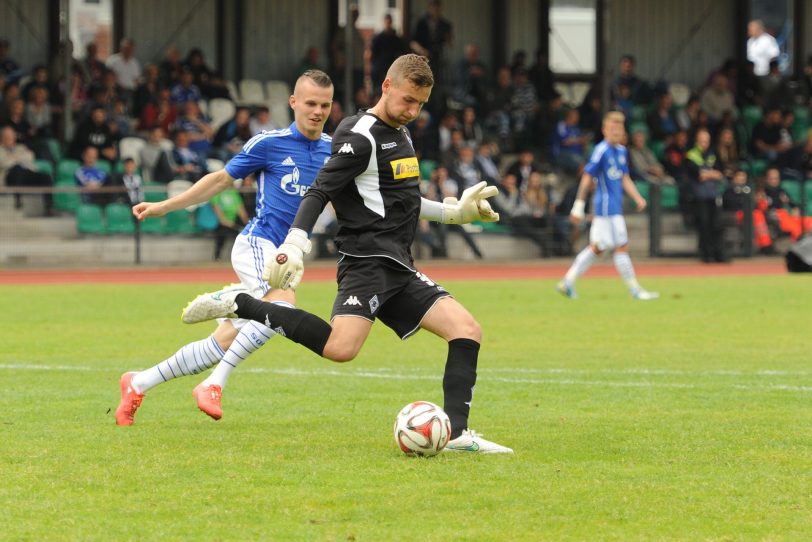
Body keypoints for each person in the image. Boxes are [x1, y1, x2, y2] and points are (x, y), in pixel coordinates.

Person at [179, 54, 512, 454]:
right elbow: (320, 190)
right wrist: (295, 243)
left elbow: (403, 200)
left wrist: (454, 213)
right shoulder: (359, 136)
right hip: (367, 261)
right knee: (341, 348)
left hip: (399, 265)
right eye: (407, 100)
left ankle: (456, 433)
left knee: (467, 330)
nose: (413, 111)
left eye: (420, 104)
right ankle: (240, 302)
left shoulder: (401, 133)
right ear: (386, 86)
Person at [115, 70, 336, 426]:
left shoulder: (333, 150)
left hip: (288, 258)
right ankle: (215, 382)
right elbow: (220, 180)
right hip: (258, 244)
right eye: (310, 103)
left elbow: (343, 203)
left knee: (218, 344)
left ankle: (138, 383)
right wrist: (164, 206)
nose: (317, 111)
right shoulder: (268, 143)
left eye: (324, 105)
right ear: (293, 103)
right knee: (281, 309)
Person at [556, 111, 659, 300]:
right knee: (621, 246)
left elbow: (624, 177)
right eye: (612, 127)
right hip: (605, 207)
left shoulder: (621, 151)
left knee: (598, 248)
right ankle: (635, 290)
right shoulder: (601, 150)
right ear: (604, 130)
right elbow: (588, 176)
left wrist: (637, 197)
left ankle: (567, 282)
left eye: (619, 127)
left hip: (614, 206)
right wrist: (578, 206)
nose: (616, 131)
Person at [685, 128, 728, 263]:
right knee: (704, 225)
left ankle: (719, 254)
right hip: (699, 197)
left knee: (717, 225)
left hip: (713, 195)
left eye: (707, 141)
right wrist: (711, 174)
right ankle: (706, 255)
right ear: (697, 141)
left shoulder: (713, 153)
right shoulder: (691, 155)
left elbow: (721, 173)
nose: (705, 143)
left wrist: (708, 174)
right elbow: (698, 175)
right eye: (702, 141)